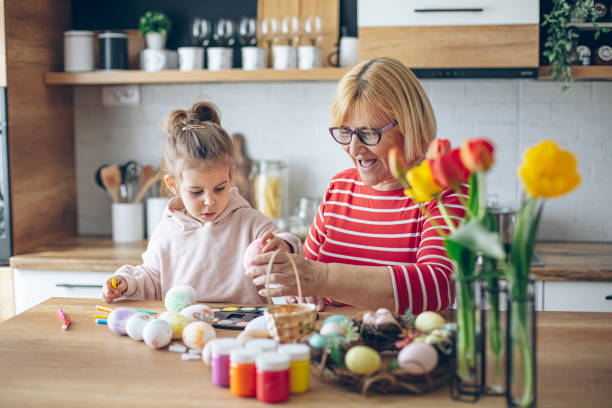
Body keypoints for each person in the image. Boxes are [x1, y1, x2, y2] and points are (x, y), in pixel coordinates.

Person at [245, 57, 465, 314]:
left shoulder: (444, 190)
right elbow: (306, 275)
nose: (353, 148)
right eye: (345, 132)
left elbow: (437, 286)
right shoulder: (341, 187)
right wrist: (297, 281)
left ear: (409, 125)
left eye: (369, 133)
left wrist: (321, 279)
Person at [102, 102, 303, 304]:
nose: (209, 201)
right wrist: (127, 282)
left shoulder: (249, 222)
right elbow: (152, 278)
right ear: (174, 184)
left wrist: (284, 245)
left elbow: (290, 244)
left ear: (231, 174)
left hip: (241, 328)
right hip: (184, 327)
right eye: (196, 192)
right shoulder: (167, 230)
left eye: (219, 188)